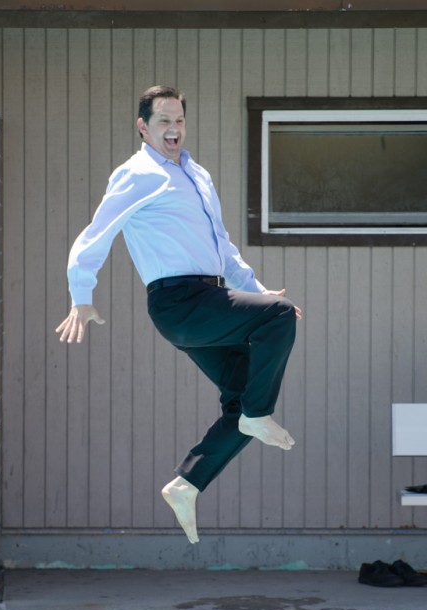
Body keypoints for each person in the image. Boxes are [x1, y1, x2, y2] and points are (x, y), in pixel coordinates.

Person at [56, 85, 301, 544]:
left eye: (179, 120)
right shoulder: (137, 173)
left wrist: (258, 289)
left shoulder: (197, 175)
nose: (174, 129)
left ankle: (186, 484)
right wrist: (80, 295)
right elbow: (96, 234)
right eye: (164, 121)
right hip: (179, 303)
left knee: (242, 401)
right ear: (143, 127)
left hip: (210, 299)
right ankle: (258, 414)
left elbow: (222, 248)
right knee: (280, 318)